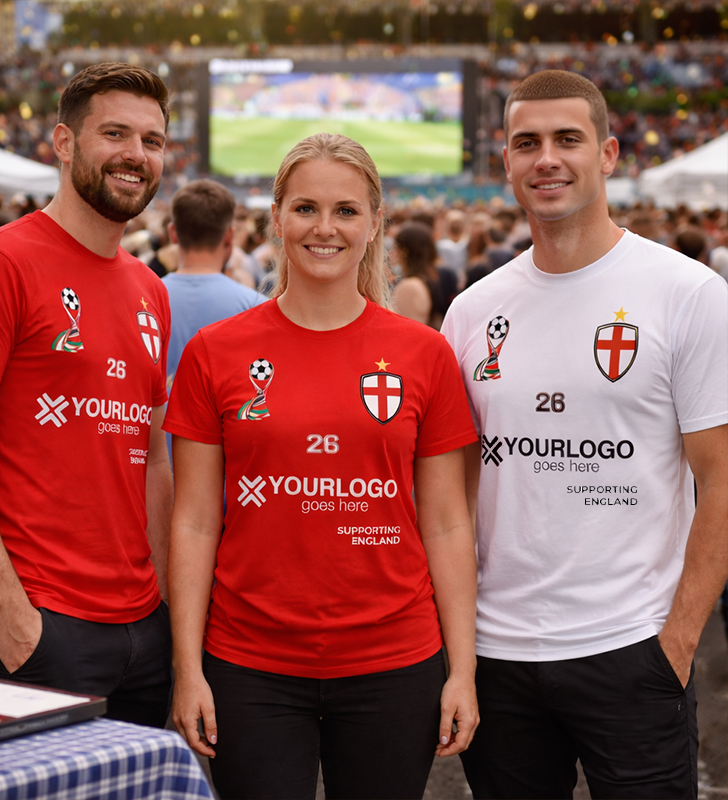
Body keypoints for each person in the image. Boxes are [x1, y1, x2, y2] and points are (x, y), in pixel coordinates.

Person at [164, 132, 480, 800]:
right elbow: (193, 522)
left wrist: (463, 669)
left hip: (394, 662)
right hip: (248, 664)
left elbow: (448, 524)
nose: (324, 228)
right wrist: (186, 665)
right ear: (276, 218)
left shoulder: (422, 354)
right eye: (305, 208)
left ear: (373, 225)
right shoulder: (215, 352)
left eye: (345, 211)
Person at [442, 69, 728, 799]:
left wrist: (679, 640)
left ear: (607, 153)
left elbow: (721, 478)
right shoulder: (473, 312)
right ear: (504, 161)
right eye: (526, 142)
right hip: (499, 653)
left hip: (632, 647)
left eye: (568, 139)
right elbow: (455, 489)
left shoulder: (687, 293)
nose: (547, 158)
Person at [0, 62, 175, 727]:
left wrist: (165, 608)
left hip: (141, 627)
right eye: (116, 134)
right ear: (64, 145)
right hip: (37, 624)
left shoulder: (151, 290)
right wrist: (10, 609)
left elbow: (151, 457)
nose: (136, 155)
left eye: (152, 141)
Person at [162, 179, 267, 452]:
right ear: (230, 237)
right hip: (228, 478)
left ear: (173, 234)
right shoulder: (257, 306)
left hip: (148, 471)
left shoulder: (144, 298)